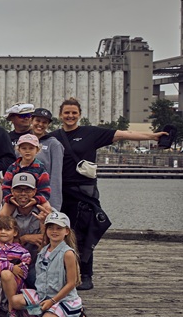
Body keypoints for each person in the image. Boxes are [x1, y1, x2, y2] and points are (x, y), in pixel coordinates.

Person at [55, 97, 165, 291]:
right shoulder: (54, 137)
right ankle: (65, 273)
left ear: (79, 114)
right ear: (60, 115)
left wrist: (152, 136)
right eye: (67, 113)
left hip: (84, 192)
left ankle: (86, 274)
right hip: (61, 193)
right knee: (61, 234)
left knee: (85, 233)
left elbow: (124, 134)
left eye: (74, 112)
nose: (70, 116)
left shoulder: (91, 133)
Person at [5, 212, 92, 317]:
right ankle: (49, 312)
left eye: (59, 228)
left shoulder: (68, 253)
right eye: (50, 228)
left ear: (66, 231)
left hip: (62, 298)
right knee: (14, 301)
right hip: (43, 295)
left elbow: (72, 283)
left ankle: (76, 314)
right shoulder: (44, 249)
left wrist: (52, 301)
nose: (54, 231)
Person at [0, 134, 52, 218]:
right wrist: (10, 198)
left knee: (47, 209)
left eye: (31, 148)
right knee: (2, 214)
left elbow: (45, 188)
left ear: (37, 150)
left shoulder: (41, 168)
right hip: (16, 197)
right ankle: (8, 230)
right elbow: (5, 186)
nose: (27, 151)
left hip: (35, 197)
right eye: (24, 148)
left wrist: (36, 199)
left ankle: (44, 230)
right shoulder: (13, 167)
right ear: (18, 149)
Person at [28, 107, 64, 201]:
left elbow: (56, 177)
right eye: (38, 120)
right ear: (31, 120)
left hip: (43, 197)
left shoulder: (54, 145)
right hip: (22, 196)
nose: (40, 124)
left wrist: (54, 205)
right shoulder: (23, 142)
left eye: (44, 122)